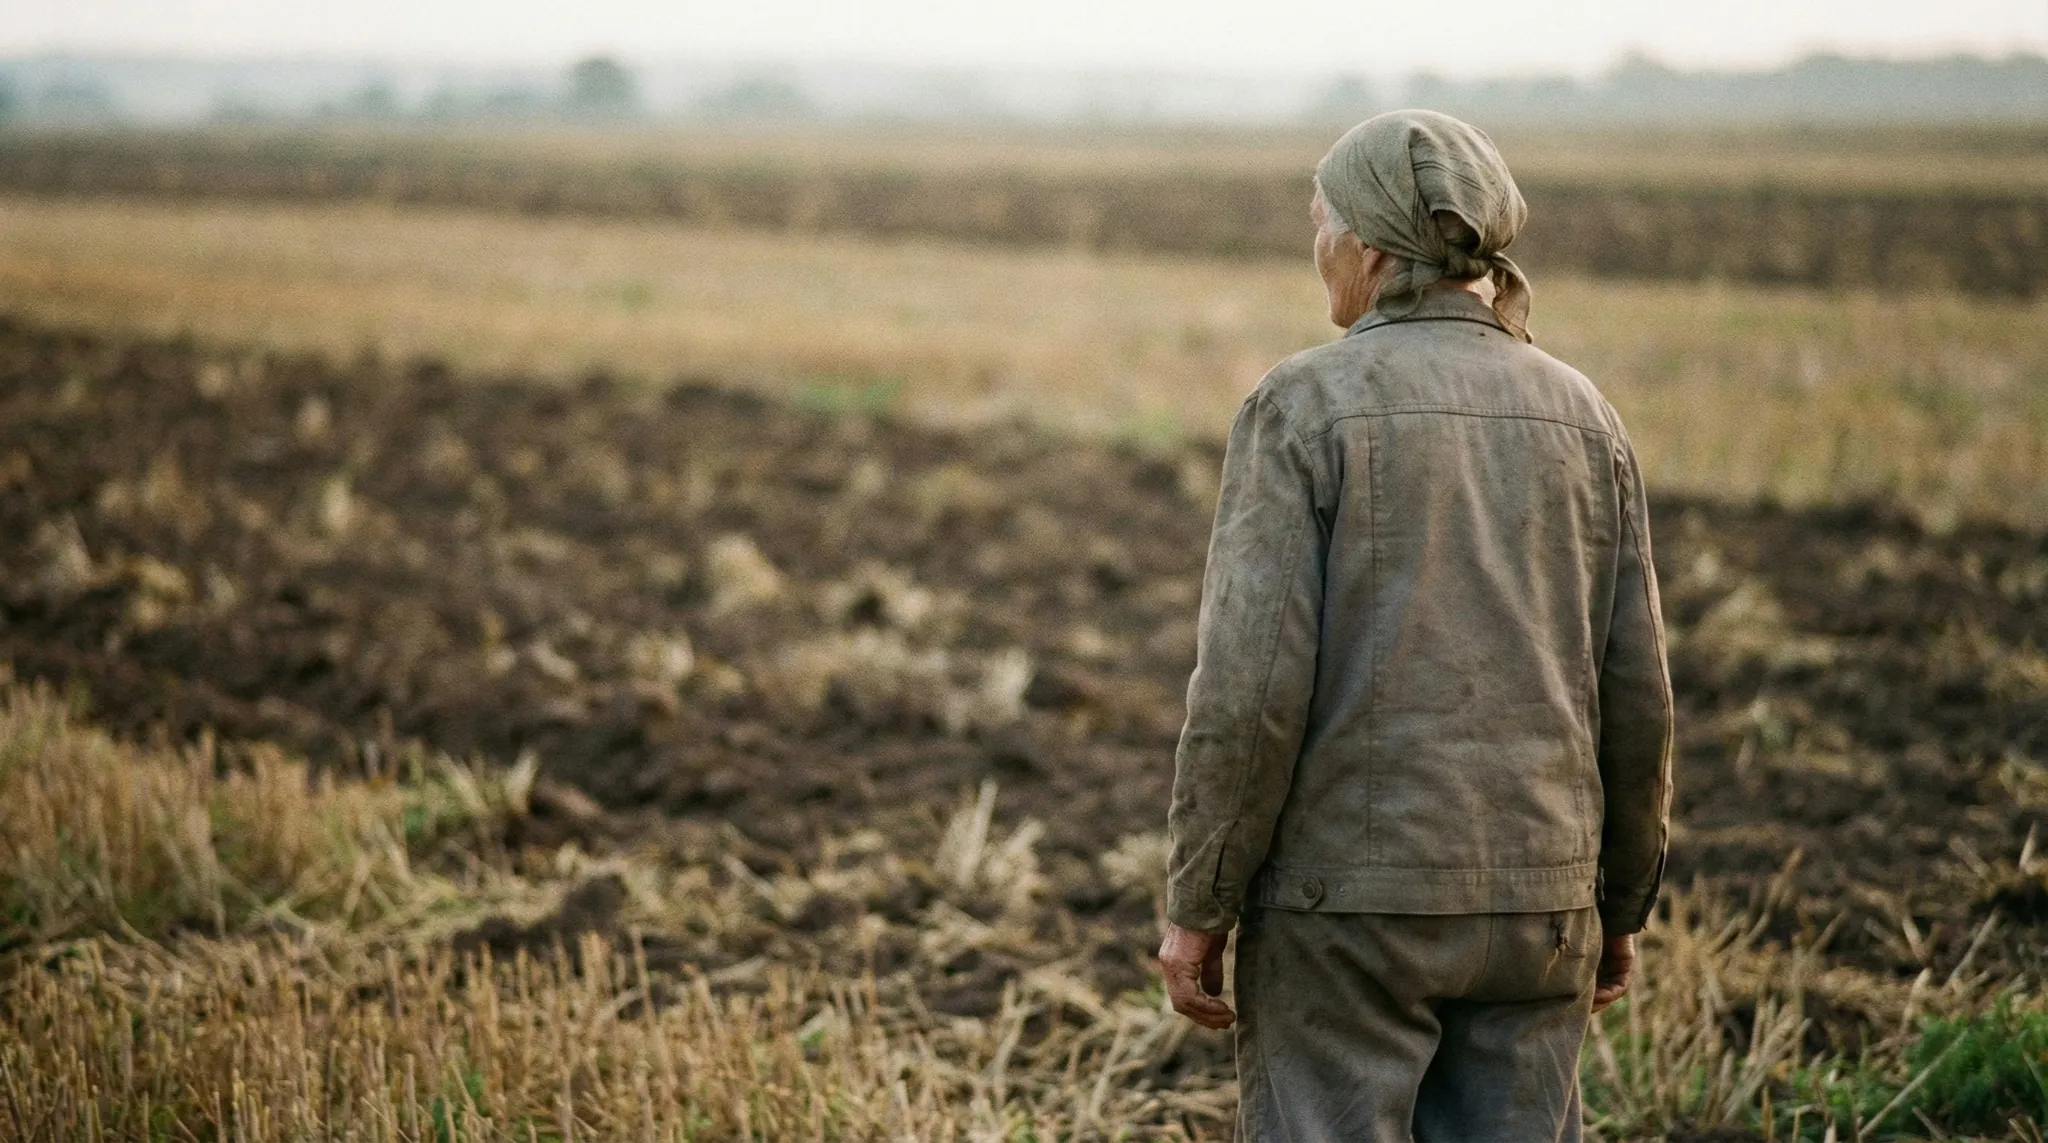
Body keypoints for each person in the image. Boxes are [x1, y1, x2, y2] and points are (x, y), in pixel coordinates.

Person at [1156, 109, 1673, 1143]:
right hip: (1540, 904)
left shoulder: (1300, 406)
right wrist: (1616, 903)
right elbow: (1634, 694)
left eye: (1321, 223)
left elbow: (1249, 690)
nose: (1316, 250)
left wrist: (1199, 902)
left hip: (1345, 912)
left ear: (1371, 243)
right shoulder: (1583, 413)